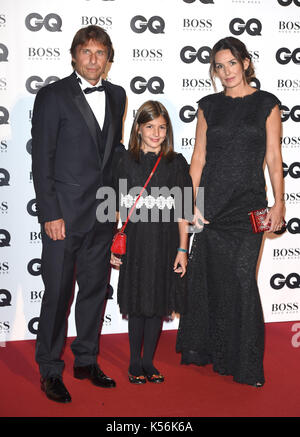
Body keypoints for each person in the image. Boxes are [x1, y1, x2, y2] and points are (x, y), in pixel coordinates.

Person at [176, 36, 285, 387]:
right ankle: (208, 350)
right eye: (219, 67)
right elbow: (198, 158)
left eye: (231, 64)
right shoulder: (208, 106)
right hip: (211, 208)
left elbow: (273, 157)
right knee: (208, 279)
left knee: (241, 278)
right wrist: (187, 203)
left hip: (248, 206)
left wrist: (279, 201)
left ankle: (246, 362)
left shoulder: (267, 104)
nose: (226, 72)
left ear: (246, 63)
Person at [31, 25, 126, 403]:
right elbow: (42, 159)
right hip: (63, 217)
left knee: (94, 292)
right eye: (86, 52)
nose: (93, 59)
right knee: (57, 295)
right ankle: (50, 369)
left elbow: (113, 152)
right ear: (74, 55)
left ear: (108, 58)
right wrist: (49, 212)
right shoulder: (53, 96)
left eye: (100, 53)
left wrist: (119, 202)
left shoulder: (117, 95)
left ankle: (86, 360)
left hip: (102, 214)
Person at [111, 101, 192, 384]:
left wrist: (183, 249)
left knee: (158, 301)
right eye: (149, 127)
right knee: (137, 301)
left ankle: (149, 361)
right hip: (135, 241)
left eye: (161, 127)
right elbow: (113, 207)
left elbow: (184, 210)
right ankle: (135, 361)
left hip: (166, 242)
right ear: (138, 128)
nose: (156, 133)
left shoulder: (177, 162)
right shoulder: (124, 161)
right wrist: (114, 243)